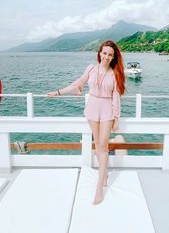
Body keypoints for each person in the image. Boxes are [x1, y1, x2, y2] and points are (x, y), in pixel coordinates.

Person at [46, 40, 126, 205]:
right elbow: (78, 83)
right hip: (92, 108)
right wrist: (58, 92)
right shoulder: (91, 68)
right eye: (104, 53)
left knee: (103, 147)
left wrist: (116, 117)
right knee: (98, 145)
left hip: (106, 111)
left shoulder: (114, 74)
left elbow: (116, 96)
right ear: (100, 53)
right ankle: (104, 175)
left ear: (113, 57)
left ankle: (99, 186)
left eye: (110, 55)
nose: (106, 57)